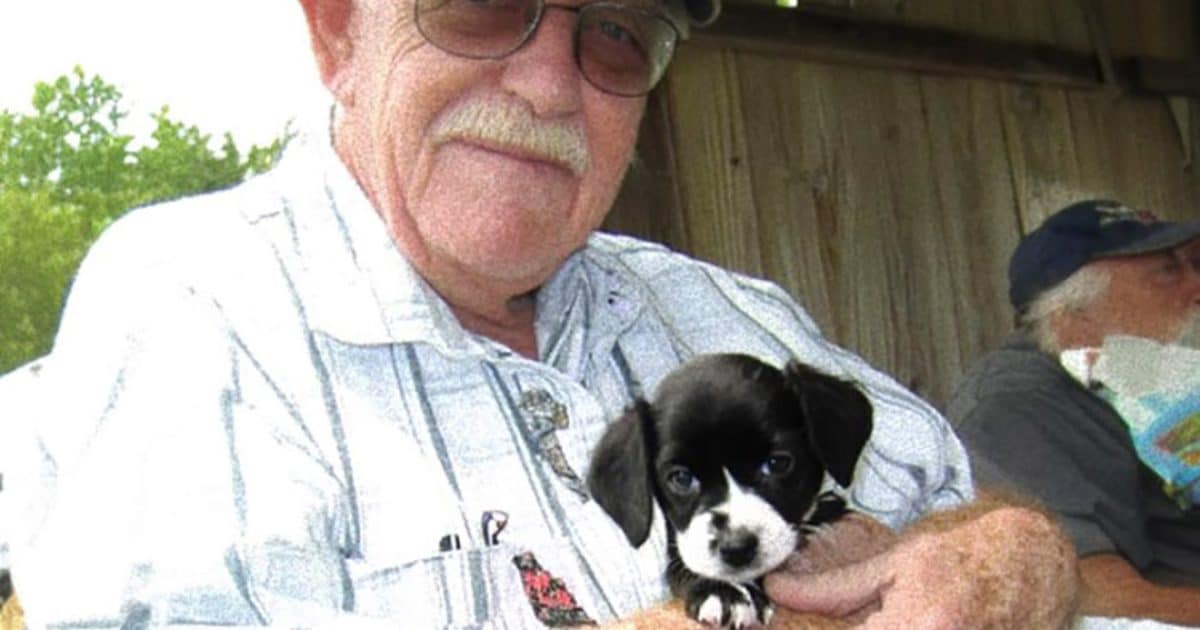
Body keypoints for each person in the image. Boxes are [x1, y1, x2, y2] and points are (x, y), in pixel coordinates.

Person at [0, 0, 1075, 626]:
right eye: (480, 3)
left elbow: (974, 509)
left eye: (615, 33)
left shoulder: (729, 310)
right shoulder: (196, 305)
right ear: (338, 33)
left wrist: (1008, 552)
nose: (551, 83)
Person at [949, 199, 1200, 626]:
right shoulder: (1015, 408)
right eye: (1167, 272)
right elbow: (1099, 600)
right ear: (1075, 315)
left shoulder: (1139, 370)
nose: (1196, 287)